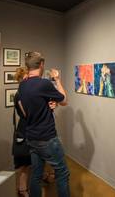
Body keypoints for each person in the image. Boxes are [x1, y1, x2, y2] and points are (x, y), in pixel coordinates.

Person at [16, 52, 69, 197]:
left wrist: (49, 105)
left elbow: (27, 111)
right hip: (47, 138)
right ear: (41, 65)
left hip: (31, 138)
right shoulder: (44, 84)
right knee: (62, 173)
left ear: (28, 67)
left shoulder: (22, 86)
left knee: (36, 175)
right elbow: (64, 100)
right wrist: (57, 80)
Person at [13, 67, 31, 197]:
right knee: (23, 163)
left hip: (29, 129)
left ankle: (23, 188)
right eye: (25, 78)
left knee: (29, 162)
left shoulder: (26, 93)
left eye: (28, 78)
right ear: (20, 80)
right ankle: (21, 189)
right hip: (24, 130)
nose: (28, 80)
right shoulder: (19, 94)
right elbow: (27, 114)